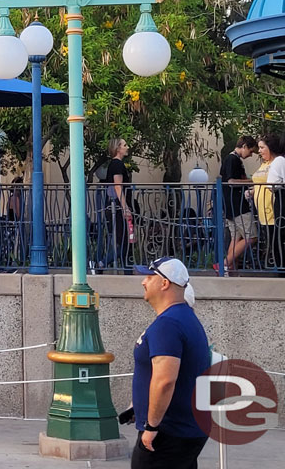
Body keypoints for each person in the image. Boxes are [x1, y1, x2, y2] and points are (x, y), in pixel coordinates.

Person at [130, 257, 208, 469]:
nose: (143, 282)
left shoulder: (169, 324)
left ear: (164, 283)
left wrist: (152, 426)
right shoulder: (181, 318)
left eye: (148, 276)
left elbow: (165, 380)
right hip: (182, 430)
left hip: (168, 432)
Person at [217, 135, 257, 274]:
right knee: (251, 237)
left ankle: (229, 269)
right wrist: (252, 181)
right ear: (244, 146)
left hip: (230, 205)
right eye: (251, 151)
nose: (251, 155)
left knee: (236, 238)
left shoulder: (231, 159)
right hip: (238, 205)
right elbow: (231, 181)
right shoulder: (232, 159)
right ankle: (224, 264)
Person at [255, 134, 285, 270]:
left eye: (262, 147)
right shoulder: (266, 163)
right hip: (264, 208)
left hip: (274, 205)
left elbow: (272, 184)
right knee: (274, 240)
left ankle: (280, 269)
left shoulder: (278, 161)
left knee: (277, 239)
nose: (259, 151)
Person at [106, 137, 134, 271]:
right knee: (122, 239)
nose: (127, 147)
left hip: (117, 206)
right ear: (118, 148)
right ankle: (100, 262)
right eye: (124, 145)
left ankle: (126, 267)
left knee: (123, 239)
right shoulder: (117, 164)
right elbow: (118, 186)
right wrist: (125, 207)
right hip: (117, 207)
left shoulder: (117, 164)